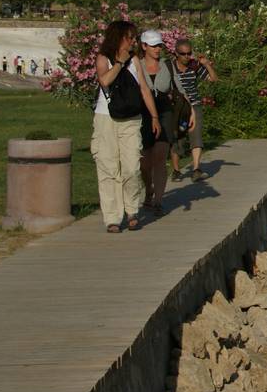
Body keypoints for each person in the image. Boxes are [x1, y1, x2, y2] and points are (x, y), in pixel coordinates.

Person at [92, 20, 158, 233]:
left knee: (131, 166)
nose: (133, 42)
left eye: (134, 38)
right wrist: (119, 63)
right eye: (130, 38)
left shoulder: (135, 60)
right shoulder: (103, 58)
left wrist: (154, 116)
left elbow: (144, 89)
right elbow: (104, 81)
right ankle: (112, 217)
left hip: (131, 119)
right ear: (118, 37)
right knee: (108, 168)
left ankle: (132, 210)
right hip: (106, 118)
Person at [136, 30, 180, 217]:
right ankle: (149, 188)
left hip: (164, 112)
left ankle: (158, 201)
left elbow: (179, 88)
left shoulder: (167, 65)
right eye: (153, 46)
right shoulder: (136, 65)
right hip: (143, 113)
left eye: (159, 45)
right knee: (145, 160)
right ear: (144, 46)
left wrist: (192, 110)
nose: (157, 49)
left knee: (160, 157)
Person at [169, 37, 215, 183]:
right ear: (176, 53)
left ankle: (196, 169)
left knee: (196, 136)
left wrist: (206, 65)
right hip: (178, 108)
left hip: (194, 104)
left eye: (189, 53)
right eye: (183, 54)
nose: (187, 57)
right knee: (178, 138)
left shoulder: (194, 66)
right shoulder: (170, 67)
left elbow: (213, 79)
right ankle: (176, 170)